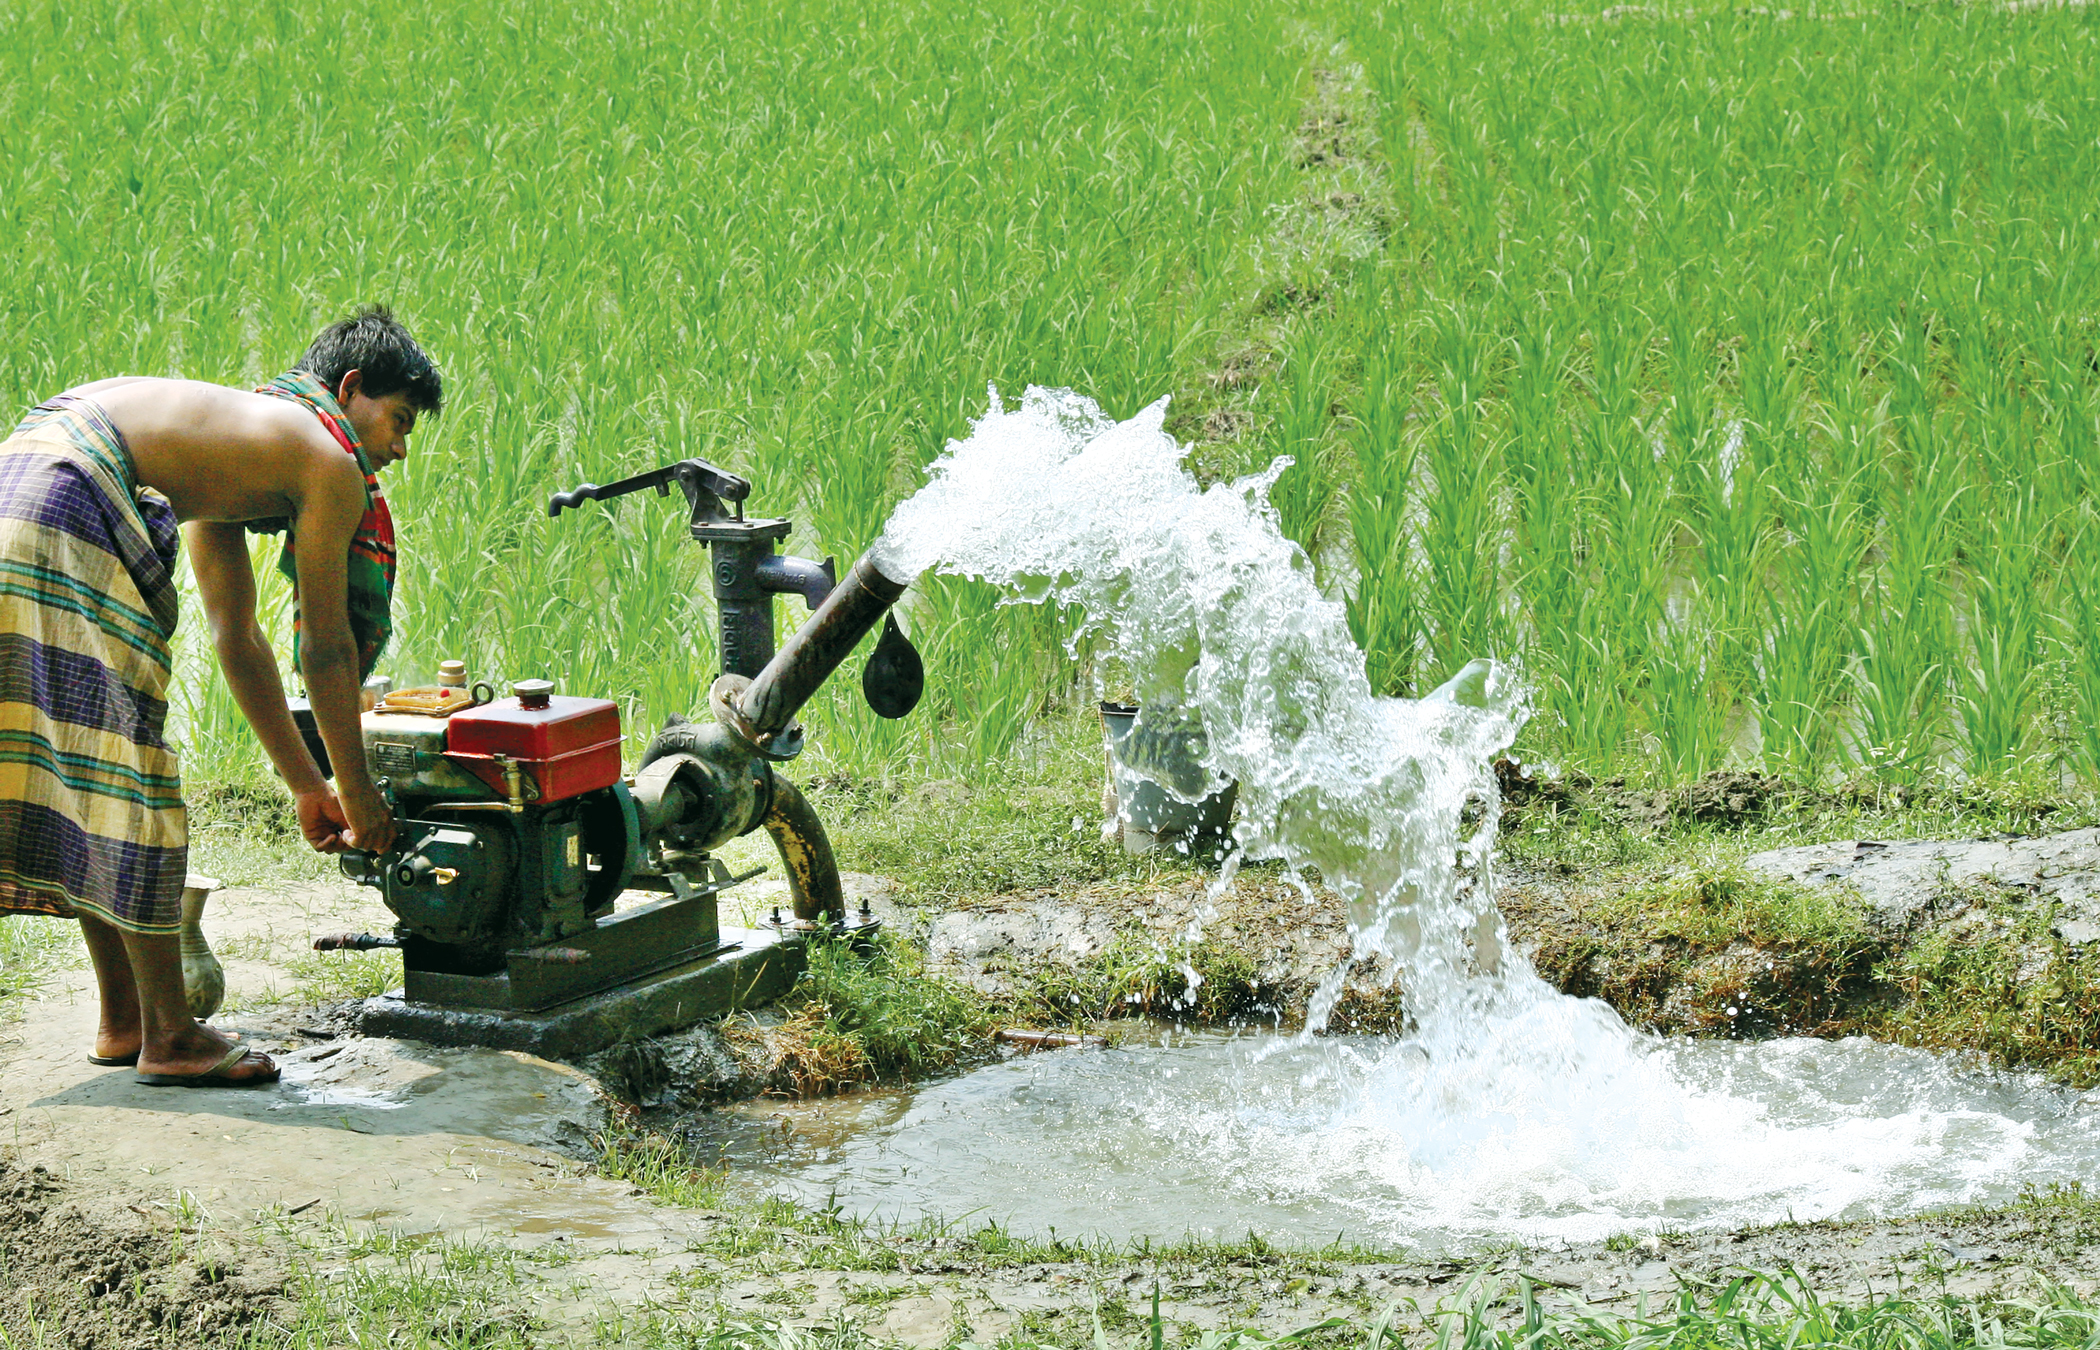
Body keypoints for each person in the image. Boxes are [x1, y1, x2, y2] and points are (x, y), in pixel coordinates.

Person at [0, 306, 440, 1087]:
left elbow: (238, 637)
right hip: (71, 487)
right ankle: (170, 1035)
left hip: (21, 477)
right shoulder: (326, 460)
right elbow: (328, 650)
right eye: (398, 420)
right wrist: (358, 791)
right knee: (132, 768)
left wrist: (309, 787)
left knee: (90, 767)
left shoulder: (236, 446)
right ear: (350, 389)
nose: (398, 449)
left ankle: (125, 1018)